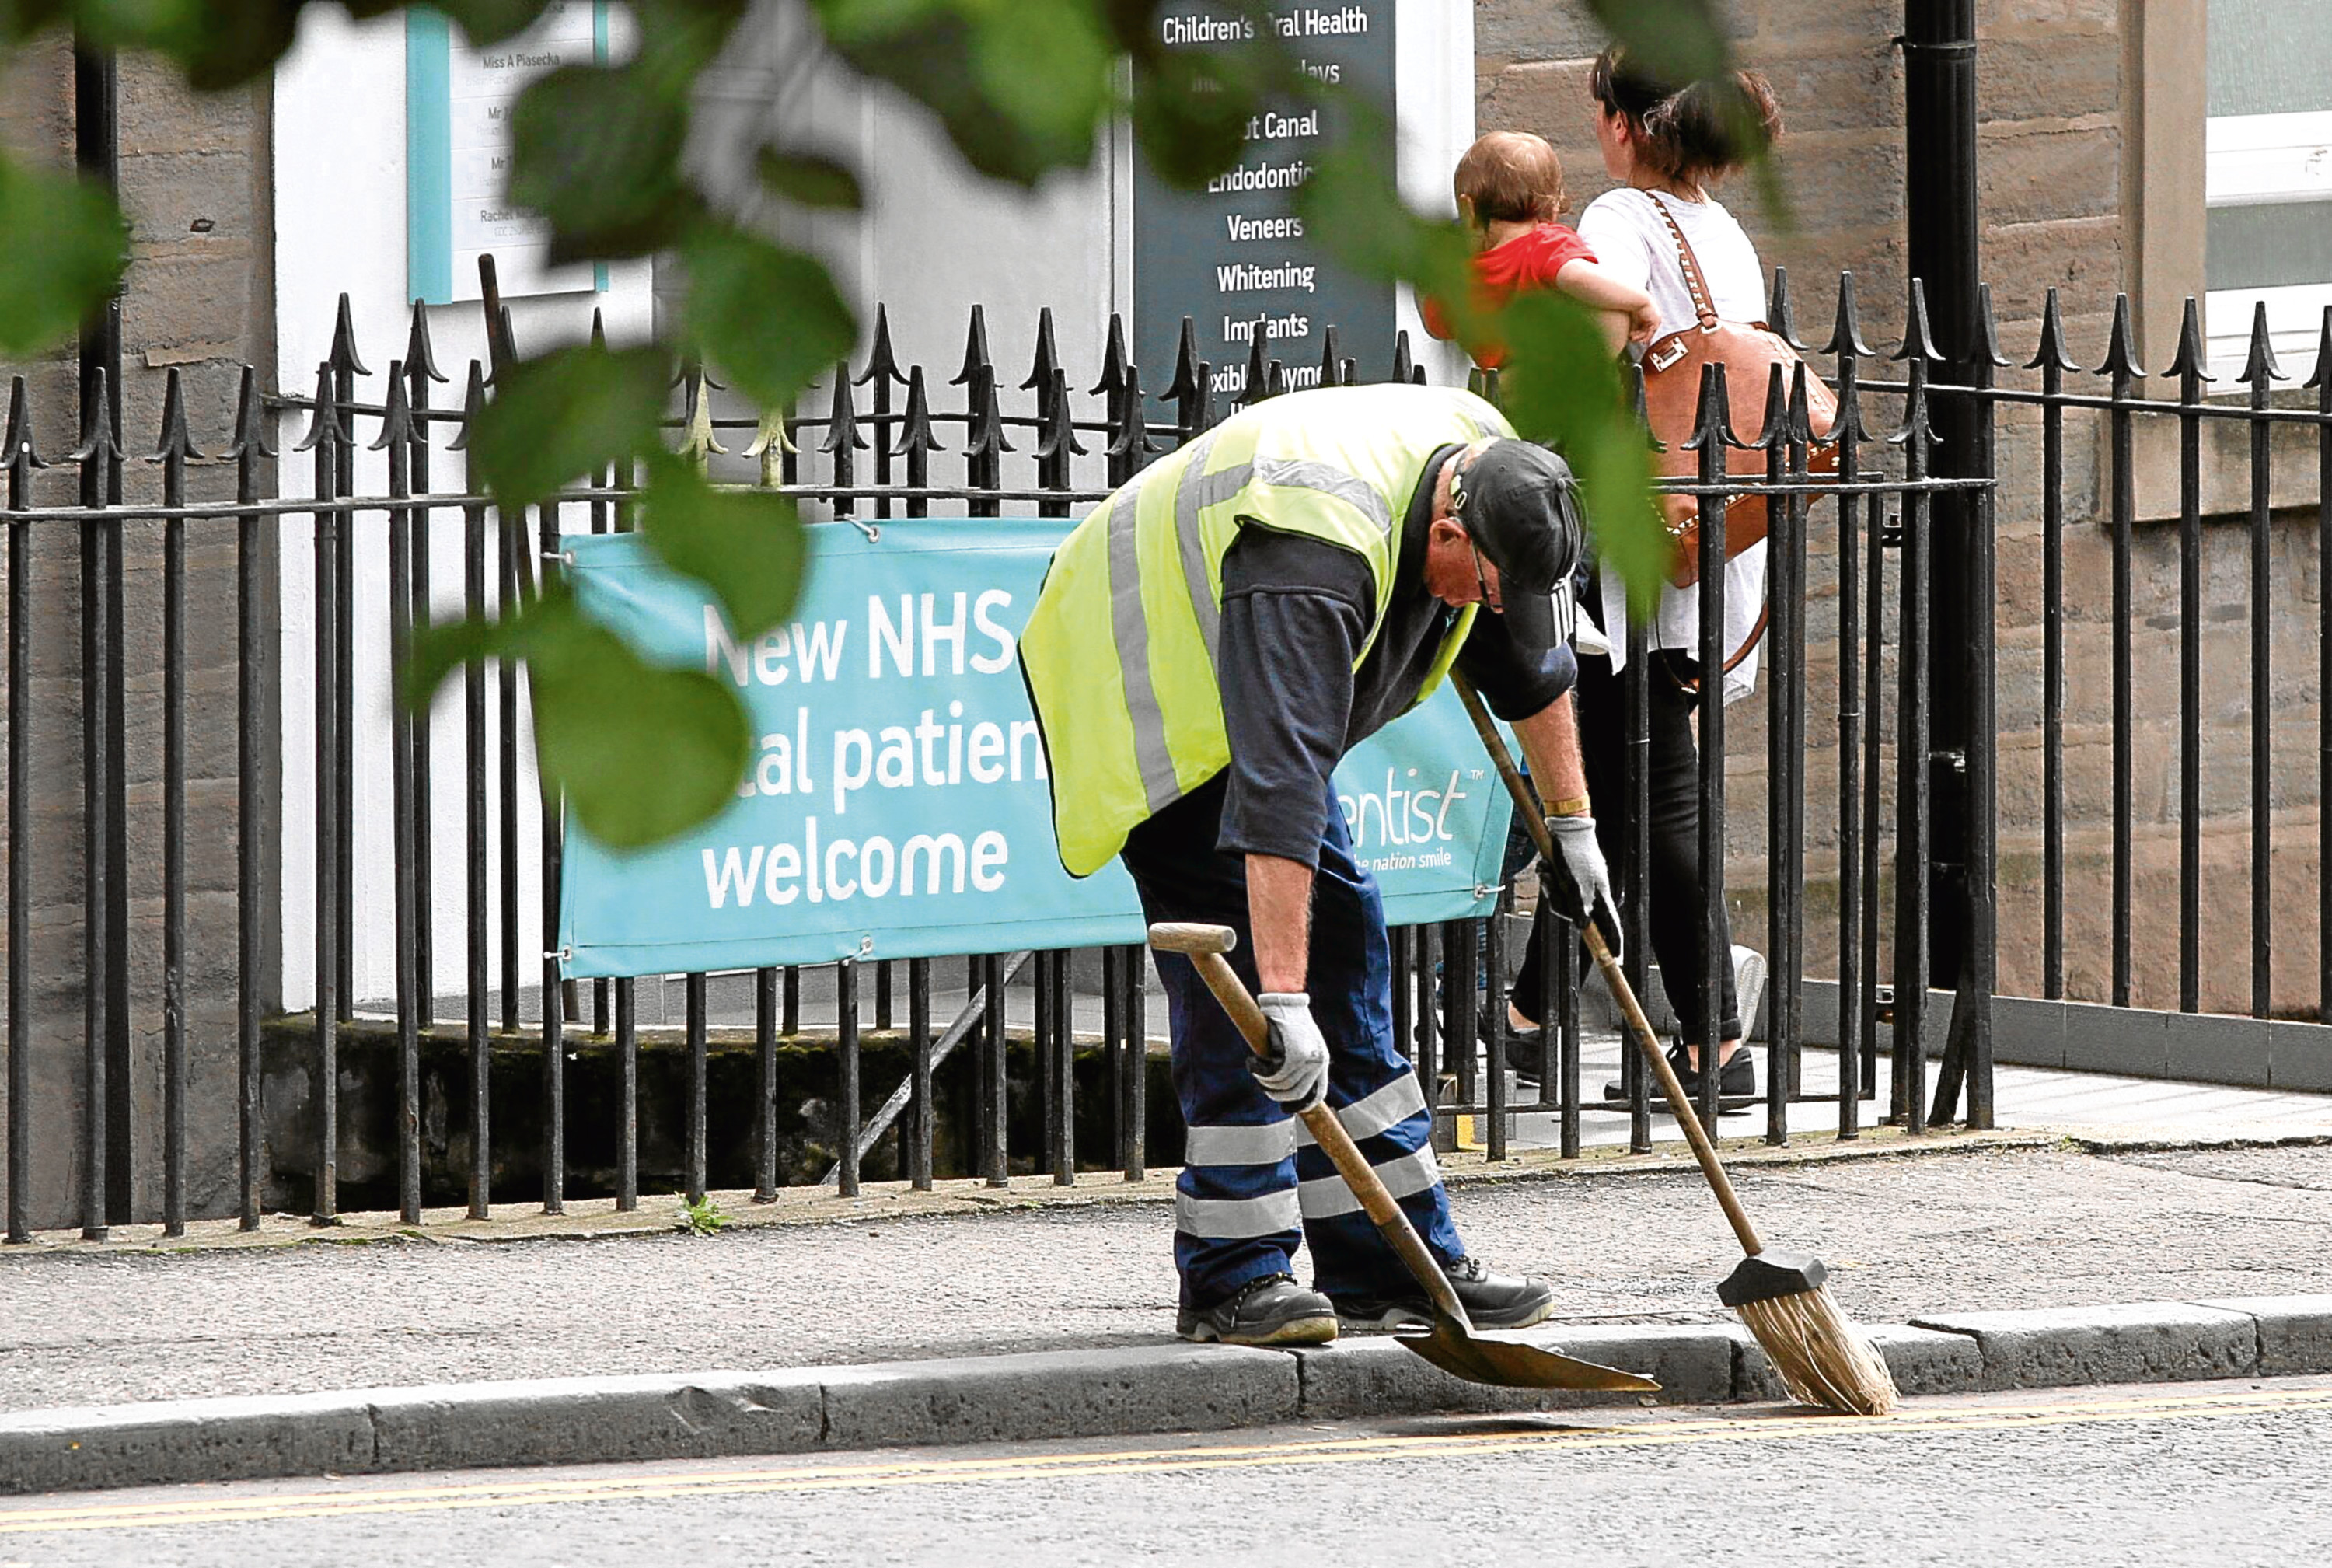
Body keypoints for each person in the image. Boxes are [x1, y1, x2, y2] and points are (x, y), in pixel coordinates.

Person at [1019, 382, 1622, 1347]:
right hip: (1151, 696)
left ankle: (1388, 1263)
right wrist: (1288, 1008)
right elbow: (1281, 785)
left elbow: (1533, 671)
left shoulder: (1504, 478)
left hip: (1244, 706)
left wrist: (1573, 825)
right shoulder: (1312, 546)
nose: (1480, 608)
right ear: (1450, 533)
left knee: (1346, 940)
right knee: (1250, 993)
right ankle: (1232, 1275)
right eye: (1480, 588)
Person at [1504, 48, 1786, 1105]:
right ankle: (1534, 1013)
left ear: (1626, 126)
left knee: (1648, 783)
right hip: (1705, 537)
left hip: (1639, 539)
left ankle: (1714, 1039)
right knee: (1618, 786)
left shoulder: (1620, 223)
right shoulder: (1726, 233)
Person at [1421, 129, 1661, 363]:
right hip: (1550, 378)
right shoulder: (1546, 244)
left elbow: (1436, 325)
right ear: (1552, 205)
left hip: (1493, 390)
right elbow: (1580, 278)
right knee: (1615, 312)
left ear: (1468, 209)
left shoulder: (1465, 271)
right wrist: (1642, 300)